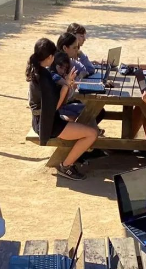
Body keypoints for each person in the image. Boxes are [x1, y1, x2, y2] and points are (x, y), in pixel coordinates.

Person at [26, 38, 98, 181]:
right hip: (47, 125)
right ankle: (66, 166)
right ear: (49, 57)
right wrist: (66, 86)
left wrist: (66, 84)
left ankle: (76, 157)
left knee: (80, 121)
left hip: (42, 120)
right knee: (92, 134)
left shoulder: (39, 71)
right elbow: (54, 107)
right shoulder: (44, 78)